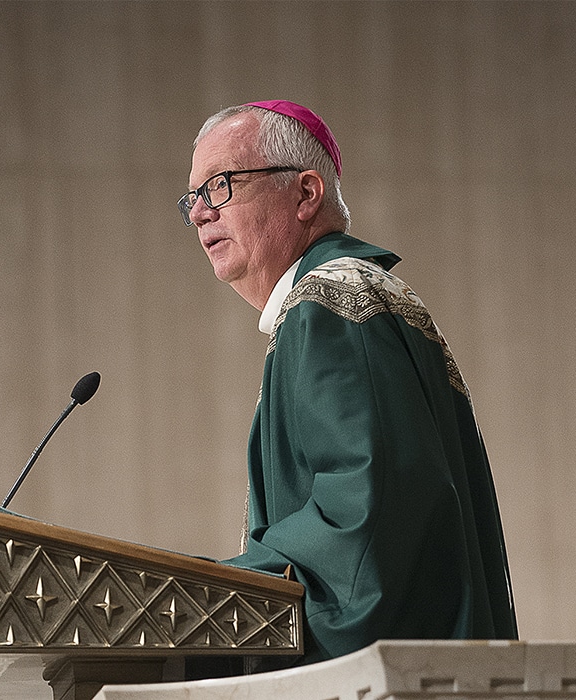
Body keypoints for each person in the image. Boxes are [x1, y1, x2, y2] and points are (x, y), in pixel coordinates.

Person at [178, 100, 518, 665]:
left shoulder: (331, 304)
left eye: (219, 186)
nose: (199, 214)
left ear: (306, 194)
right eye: (192, 199)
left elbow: (365, 518)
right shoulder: (337, 303)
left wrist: (208, 596)